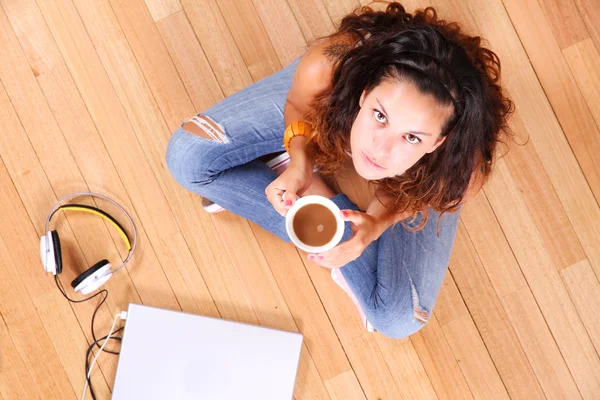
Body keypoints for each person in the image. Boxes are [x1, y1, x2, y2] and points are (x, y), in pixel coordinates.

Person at [166, 2, 514, 338]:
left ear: (437, 143)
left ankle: (319, 211)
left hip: (423, 179)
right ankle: (314, 198)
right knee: (187, 159)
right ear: (364, 93)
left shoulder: (460, 173)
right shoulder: (330, 66)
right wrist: (301, 159)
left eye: (411, 137)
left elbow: (416, 196)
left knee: (399, 321)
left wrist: (376, 224)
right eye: (380, 116)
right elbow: (299, 104)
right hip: (329, 103)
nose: (380, 149)